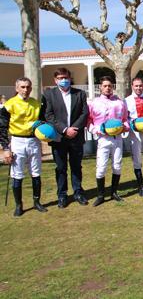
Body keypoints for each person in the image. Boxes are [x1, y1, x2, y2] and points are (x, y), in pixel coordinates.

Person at [41, 68, 89, 208]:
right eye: (61, 78)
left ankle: (78, 192)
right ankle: (62, 195)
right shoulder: (49, 94)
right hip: (59, 137)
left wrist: (74, 129)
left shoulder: (79, 93)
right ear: (55, 80)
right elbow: (49, 115)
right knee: (61, 168)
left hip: (76, 136)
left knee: (76, 167)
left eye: (66, 77)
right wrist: (64, 129)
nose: (64, 80)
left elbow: (84, 113)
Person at [0, 77, 47, 217]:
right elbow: (2, 127)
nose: (25, 90)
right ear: (17, 88)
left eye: (28, 87)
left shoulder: (36, 104)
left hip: (34, 141)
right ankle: (19, 205)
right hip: (17, 141)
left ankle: (37, 202)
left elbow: (42, 122)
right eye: (22, 87)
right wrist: (6, 148)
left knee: (36, 172)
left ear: (31, 88)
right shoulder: (9, 105)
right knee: (17, 174)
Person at [88, 76, 129, 207]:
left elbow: (125, 119)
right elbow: (89, 121)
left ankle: (114, 192)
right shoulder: (94, 103)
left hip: (117, 139)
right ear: (100, 87)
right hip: (103, 139)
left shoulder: (119, 102)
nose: (107, 88)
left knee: (117, 165)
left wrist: (125, 127)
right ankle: (100, 195)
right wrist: (97, 130)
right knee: (101, 167)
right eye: (105, 86)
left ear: (113, 87)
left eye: (109, 86)